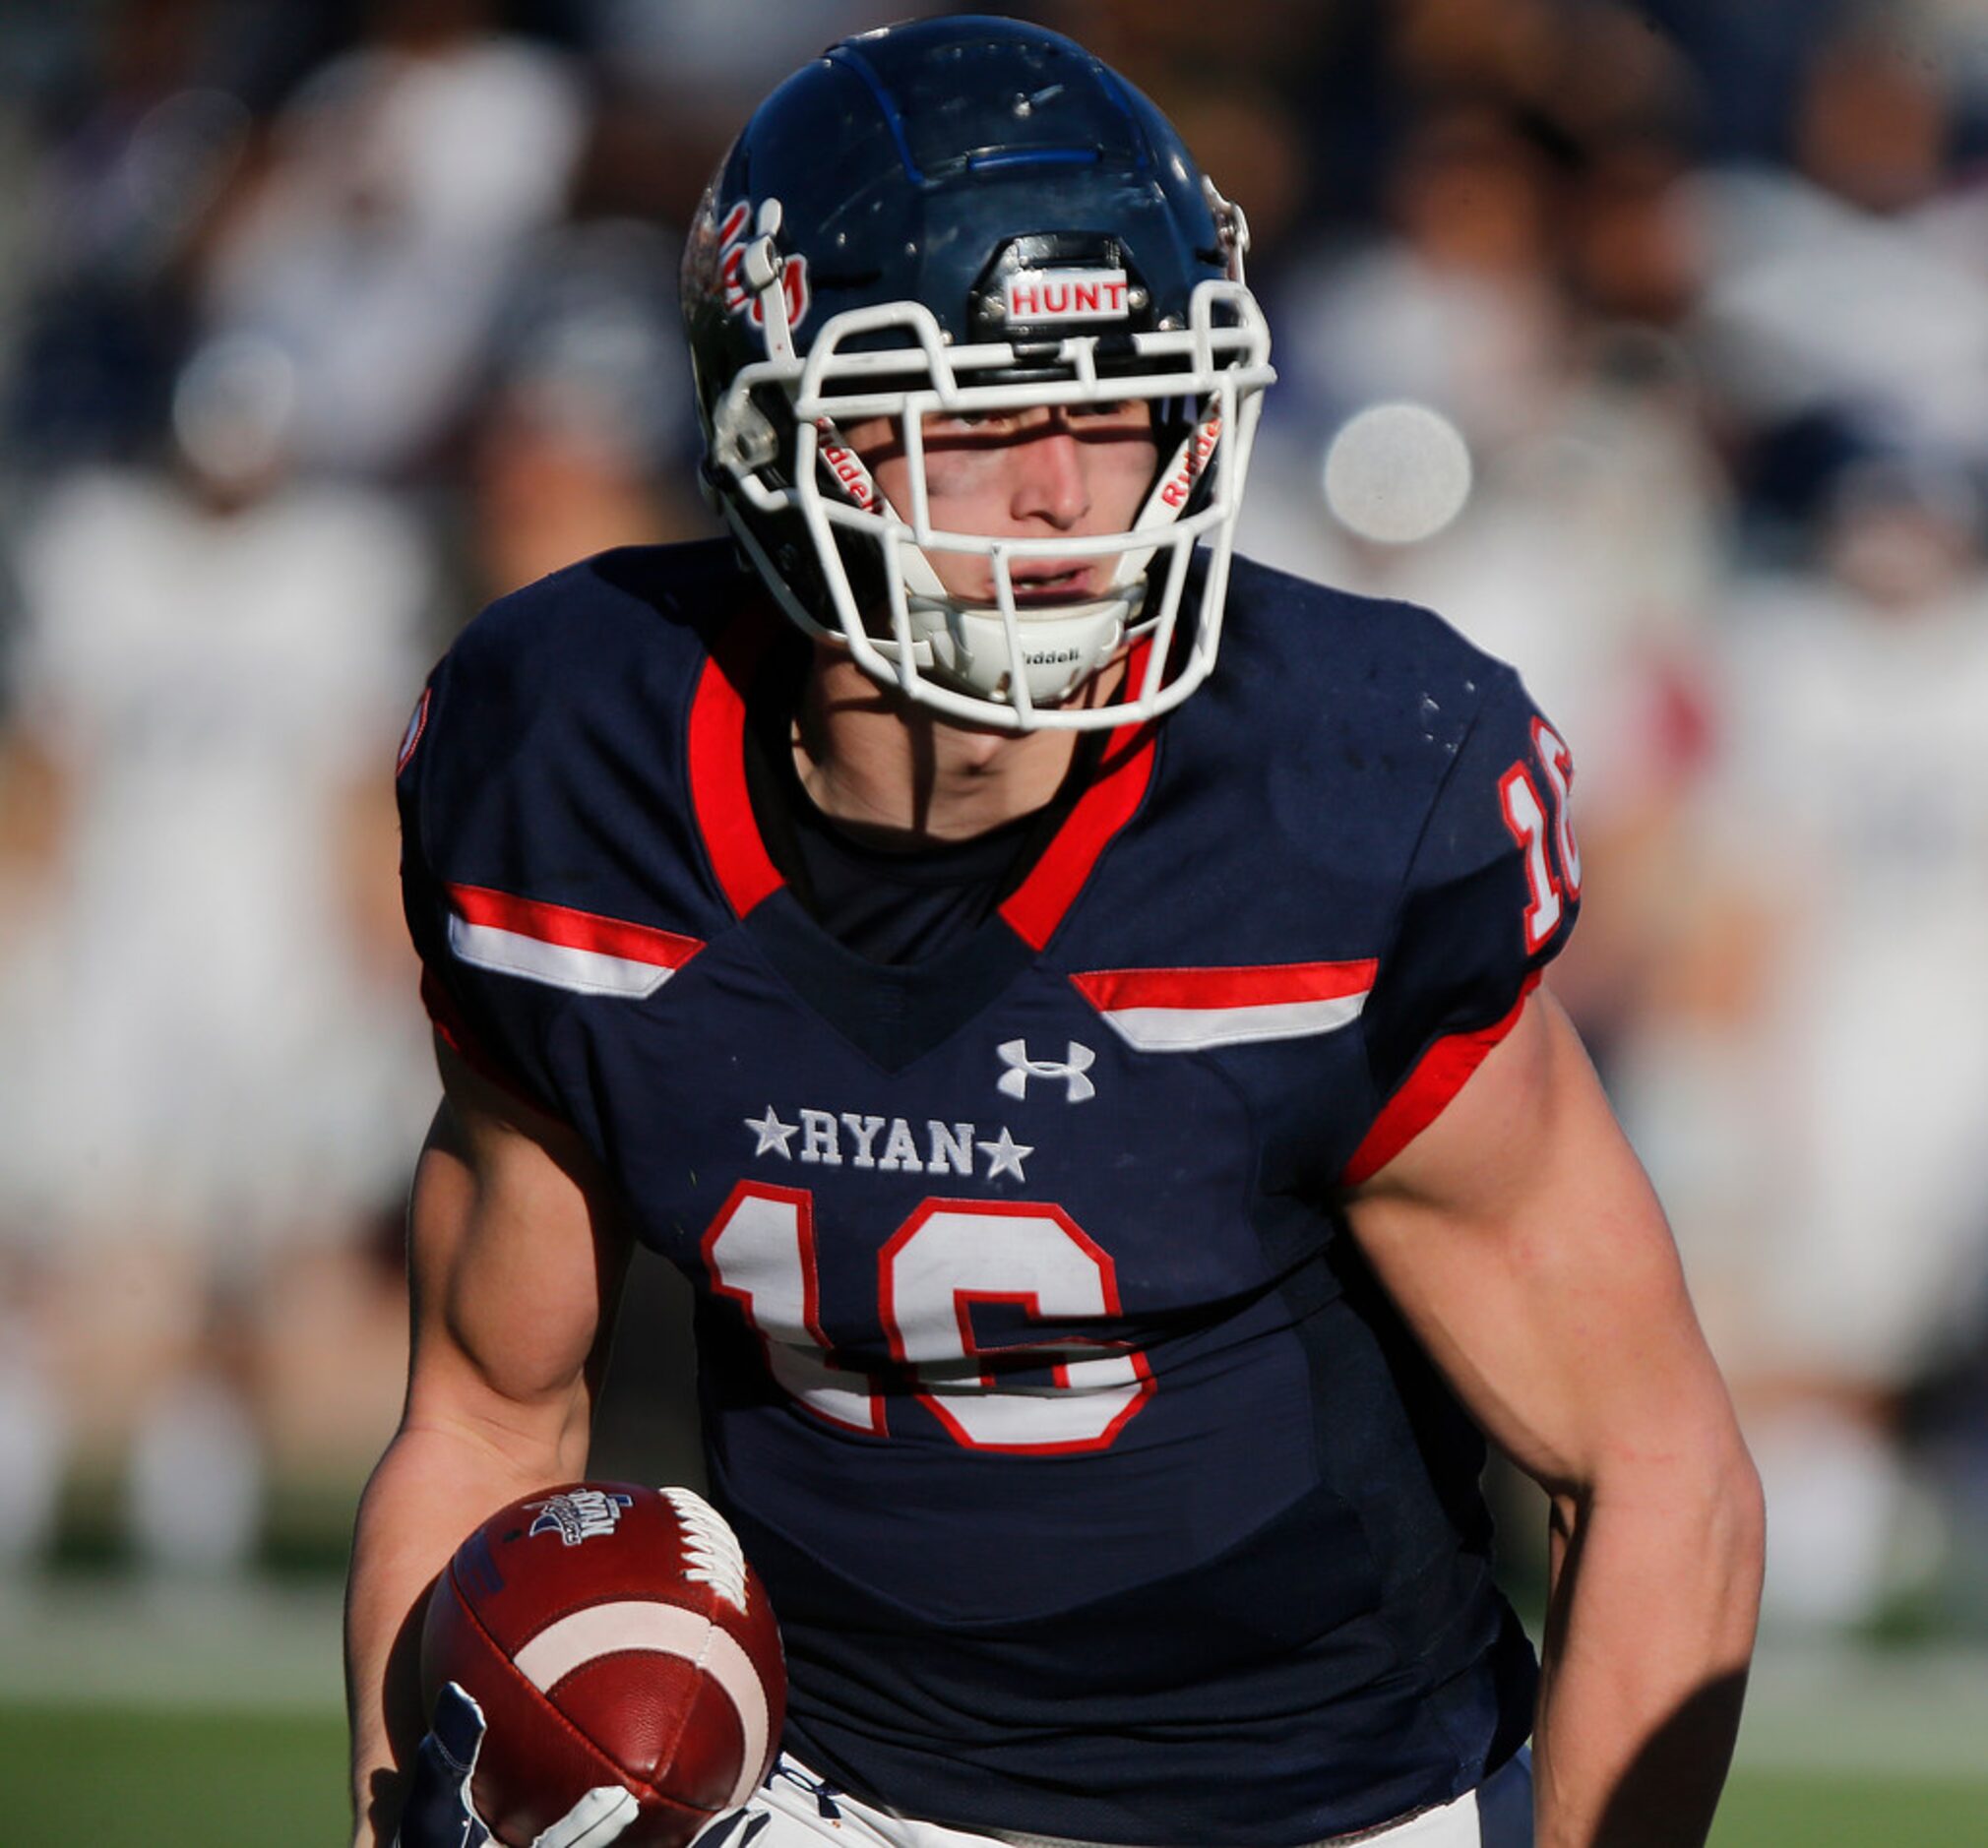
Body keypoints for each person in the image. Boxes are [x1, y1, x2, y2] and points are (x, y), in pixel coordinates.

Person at [346, 18, 1763, 1848]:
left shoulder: (1328, 801)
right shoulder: (570, 772)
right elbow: (483, 1413)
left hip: (1346, 1806)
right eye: (989, 415)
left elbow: (1651, 1467)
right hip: (827, 1796)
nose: (1068, 495)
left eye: (1116, 403)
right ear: (790, 430)